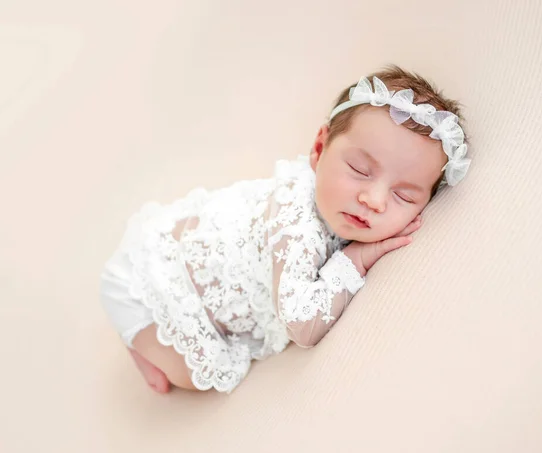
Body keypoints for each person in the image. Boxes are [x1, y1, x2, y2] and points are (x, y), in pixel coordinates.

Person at [100, 65, 471, 394]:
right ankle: (137, 343)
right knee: (189, 376)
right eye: (359, 169)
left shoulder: (339, 202)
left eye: (403, 196)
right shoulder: (295, 222)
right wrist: (354, 260)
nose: (374, 199)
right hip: (150, 283)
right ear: (319, 148)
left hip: (193, 270)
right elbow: (303, 326)